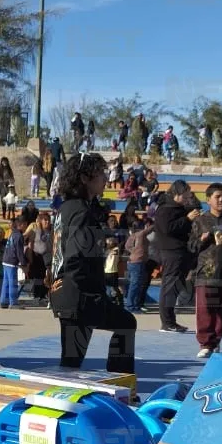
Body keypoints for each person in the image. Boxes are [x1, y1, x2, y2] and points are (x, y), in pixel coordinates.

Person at [49, 153, 136, 373]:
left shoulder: (66, 208)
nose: (105, 178)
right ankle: (120, 385)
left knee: (70, 363)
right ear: (85, 178)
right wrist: (93, 294)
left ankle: (116, 383)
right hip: (80, 297)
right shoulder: (81, 211)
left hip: (65, 293)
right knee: (126, 324)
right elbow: (75, 257)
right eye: (100, 173)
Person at [190, 183, 222, 357]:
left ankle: (218, 340)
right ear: (208, 200)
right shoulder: (200, 221)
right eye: (217, 197)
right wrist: (203, 239)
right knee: (205, 308)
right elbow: (191, 246)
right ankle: (206, 343)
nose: (221, 200)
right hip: (206, 270)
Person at [154, 180, 200, 332]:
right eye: (184, 196)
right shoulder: (164, 210)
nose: (187, 200)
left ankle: (170, 320)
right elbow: (168, 228)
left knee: (175, 287)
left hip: (181, 251)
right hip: (171, 252)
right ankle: (166, 322)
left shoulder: (179, 208)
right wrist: (187, 219)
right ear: (176, 194)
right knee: (169, 286)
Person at [23, 206, 51, 303]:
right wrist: (29, 257)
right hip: (36, 255)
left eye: (48, 220)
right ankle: (36, 294)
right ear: (40, 221)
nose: (47, 222)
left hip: (47, 256)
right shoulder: (35, 229)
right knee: (36, 276)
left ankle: (44, 294)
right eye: (45, 220)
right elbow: (28, 241)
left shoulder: (51, 231)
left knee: (45, 276)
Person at [124, 215, 149, 313]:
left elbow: (127, 246)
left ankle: (134, 305)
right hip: (137, 263)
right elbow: (151, 229)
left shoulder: (133, 235)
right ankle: (131, 306)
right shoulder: (140, 234)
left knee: (136, 284)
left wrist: (133, 251)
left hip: (134, 262)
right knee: (135, 285)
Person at [1, 218, 25, 309]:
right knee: (13, 282)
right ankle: (13, 302)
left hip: (6, 260)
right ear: (21, 225)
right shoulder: (19, 235)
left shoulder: (13, 233)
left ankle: (4, 301)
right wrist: (23, 263)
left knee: (6, 282)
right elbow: (19, 251)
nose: (25, 227)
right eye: (24, 224)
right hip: (12, 261)